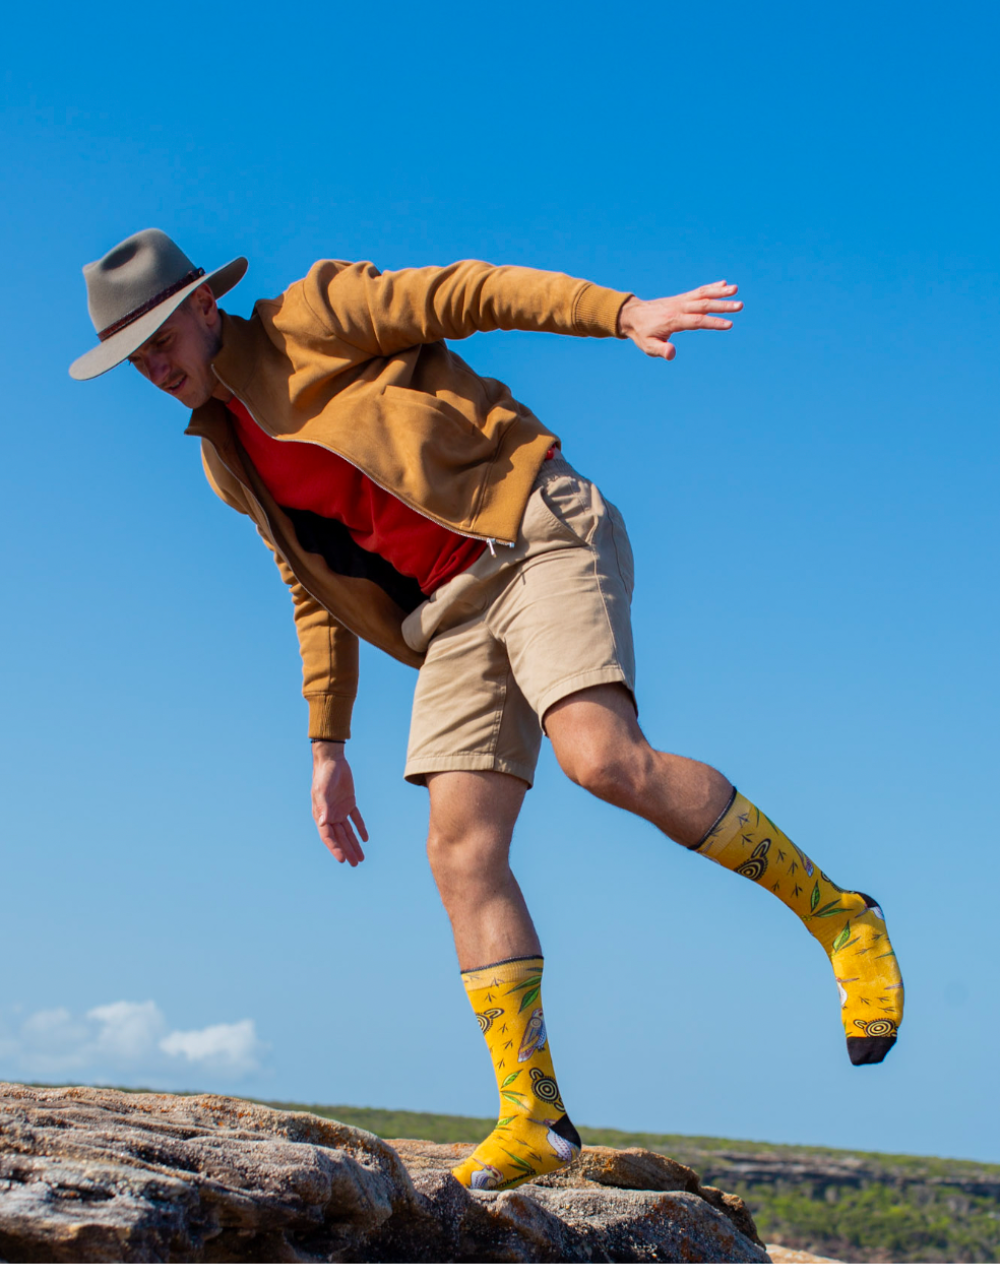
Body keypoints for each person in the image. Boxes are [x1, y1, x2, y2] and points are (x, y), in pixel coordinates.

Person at [70, 229, 904, 1191]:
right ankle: (535, 1118)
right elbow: (311, 585)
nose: (152, 367)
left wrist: (621, 312)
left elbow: (472, 291)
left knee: (600, 757)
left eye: (159, 339)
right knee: (459, 848)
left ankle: (842, 919)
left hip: (535, 532)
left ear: (206, 309)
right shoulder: (224, 455)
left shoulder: (317, 317)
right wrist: (326, 743)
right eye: (132, 357)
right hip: (448, 612)